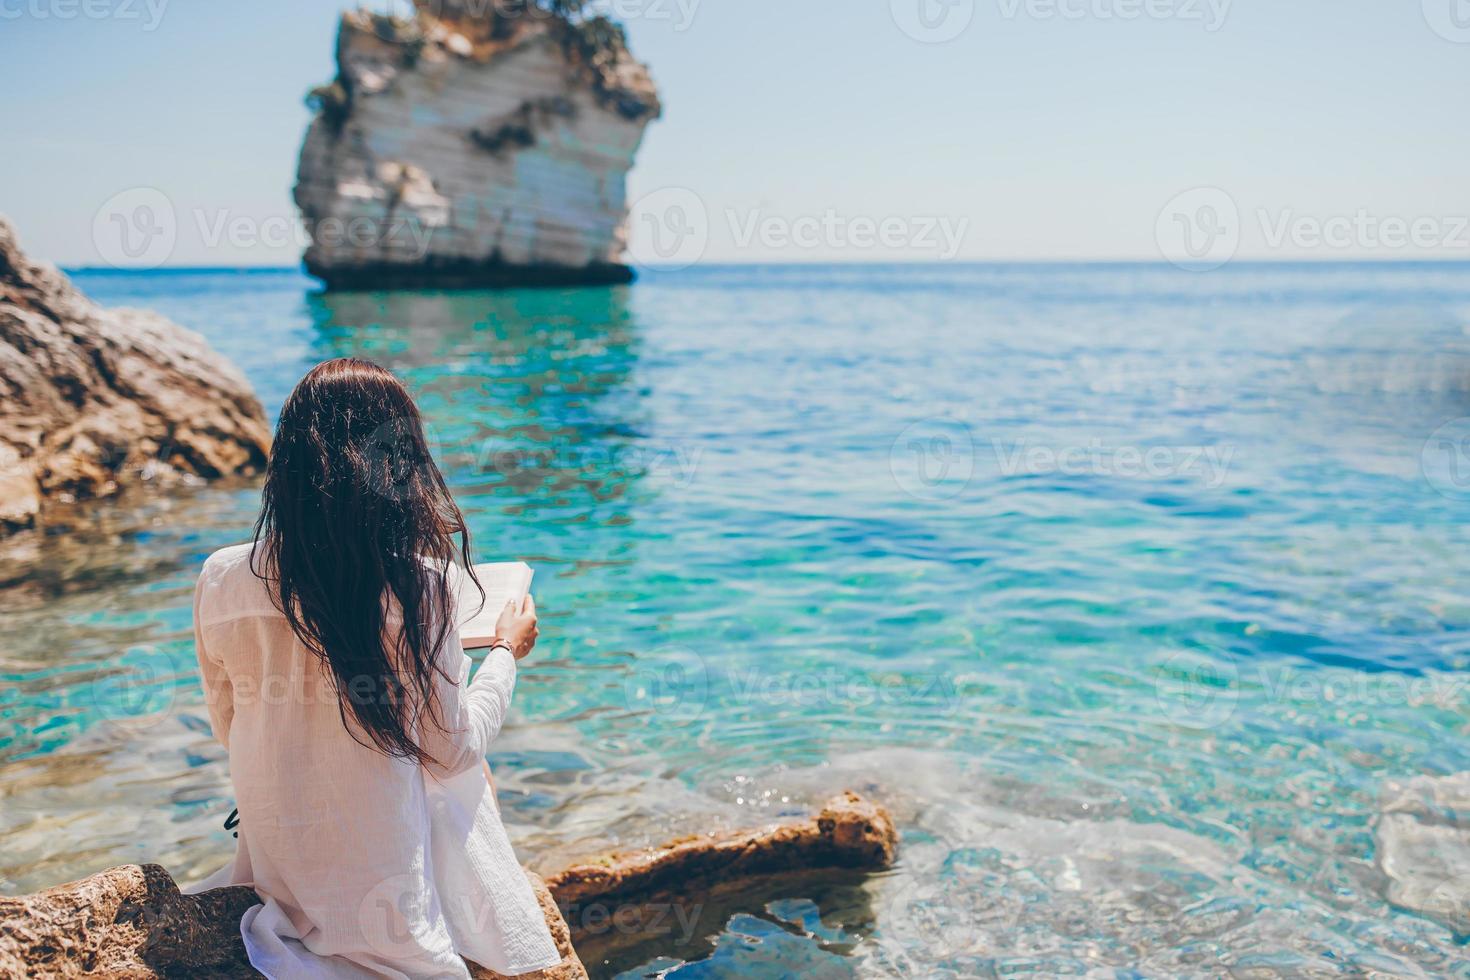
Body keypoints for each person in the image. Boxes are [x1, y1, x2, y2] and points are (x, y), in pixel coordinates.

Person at [188, 358, 561, 978]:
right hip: (386, 907)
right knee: (467, 770)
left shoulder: (223, 575)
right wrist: (502, 653)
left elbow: (227, 726)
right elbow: (453, 752)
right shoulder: (423, 587)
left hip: (278, 864)